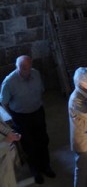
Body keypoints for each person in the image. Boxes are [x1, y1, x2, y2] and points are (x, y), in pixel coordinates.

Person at [0, 55, 55, 184]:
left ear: (31, 65)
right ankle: (35, 170)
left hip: (37, 112)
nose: (26, 69)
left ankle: (45, 166)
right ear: (16, 66)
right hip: (21, 116)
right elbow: (4, 102)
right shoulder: (9, 82)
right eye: (22, 67)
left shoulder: (36, 74)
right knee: (29, 144)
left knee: (42, 139)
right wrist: (13, 116)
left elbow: (41, 90)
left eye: (28, 66)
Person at [0, 119, 21, 187]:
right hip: (2, 160)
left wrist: (10, 133)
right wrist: (6, 141)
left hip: (7, 156)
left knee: (10, 179)